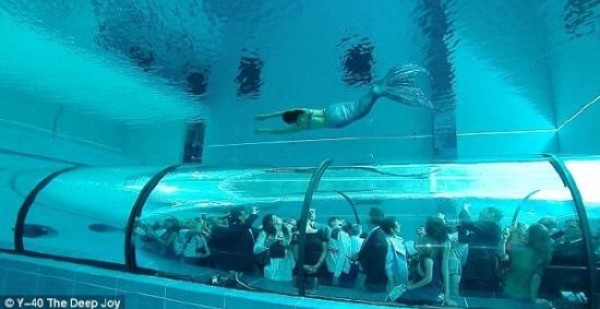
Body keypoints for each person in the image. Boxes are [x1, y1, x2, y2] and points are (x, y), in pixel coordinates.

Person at [254, 64, 432, 134]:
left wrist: (263, 130)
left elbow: (280, 131)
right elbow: (286, 112)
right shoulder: (301, 112)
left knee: (366, 104)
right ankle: (383, 87)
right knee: (367, 98)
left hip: (338, 119)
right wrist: (266, 116)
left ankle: (384, 89)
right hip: (333, 110)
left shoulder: (299, 125)